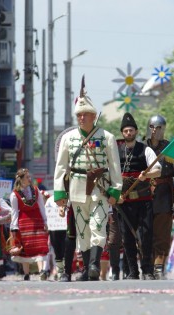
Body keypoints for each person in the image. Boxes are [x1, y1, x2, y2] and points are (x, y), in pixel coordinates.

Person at [53, 79, 123, 281]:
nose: (81, 118)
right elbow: (61, 166)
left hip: (100, 188)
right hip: (76, 186)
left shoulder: (107, 137)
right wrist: (60, 193)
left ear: (94, 116)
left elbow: (114, 165)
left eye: (85, 115)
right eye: (79, 115)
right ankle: (87, 269)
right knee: (82, 230)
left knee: (98, 225)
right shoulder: (68, 138)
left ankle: (93, 265)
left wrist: (115, 190)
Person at [117, 112, 161, 280]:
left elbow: (158, 170)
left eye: (131, 130)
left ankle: (148, 271)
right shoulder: (116, 151)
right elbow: (111, 176)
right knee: (127, 238)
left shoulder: (146, 149)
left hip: (143, 202)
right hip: (124, 202)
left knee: (146, 236)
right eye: (126, 131)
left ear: (135, 132)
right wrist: (115, 195)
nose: (128, 133)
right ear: (122, 133)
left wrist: (146, 175)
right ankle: (132, 272)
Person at [145, 114, 174, 279]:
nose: (155, 131)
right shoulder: (141, 147)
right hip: (143, 194)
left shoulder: (170, 148)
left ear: (163, 129)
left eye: (158, 128)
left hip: (164, 193)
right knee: (144, 232)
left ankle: (158, 265)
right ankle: (147, 265)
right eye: (152, 127)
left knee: (162, 233)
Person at [9, 168, 49, 280]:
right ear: (21, 180)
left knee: (40, 245)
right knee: (25, 248)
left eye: (29, 177)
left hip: (37, 221)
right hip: (24, 223)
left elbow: (41, 207)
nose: (29, 179)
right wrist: (14, 227)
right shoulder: (14, 194)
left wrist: (45, 221)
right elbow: (14, 212)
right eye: (27, 177)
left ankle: (42, 271)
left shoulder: (36, 190)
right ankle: (26, 274)